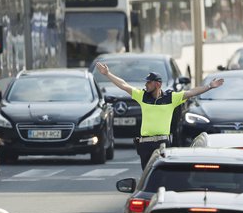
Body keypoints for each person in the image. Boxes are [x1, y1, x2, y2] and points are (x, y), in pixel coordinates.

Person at [96, 63, 224, 169]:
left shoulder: (171, 97)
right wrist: (107, 74)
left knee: (162, 170)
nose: (146, 85)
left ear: (157, 84)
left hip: (162, 143)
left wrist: (209, 86)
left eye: (148, 83)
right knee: (147, 172)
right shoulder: (142, 96)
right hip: (145, 144)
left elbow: (191, 92)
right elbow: (124, 85)